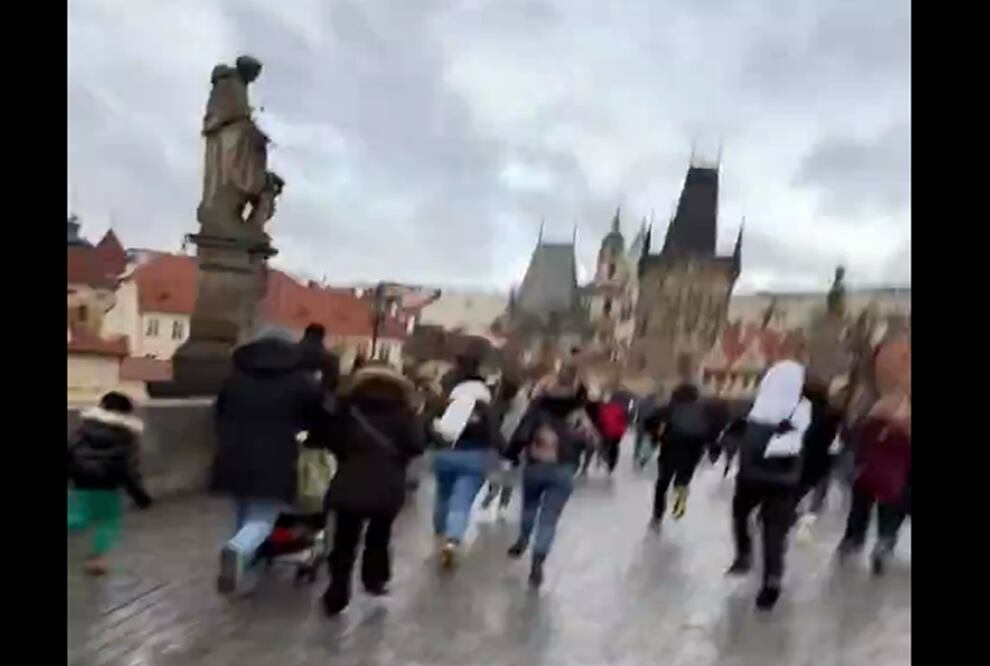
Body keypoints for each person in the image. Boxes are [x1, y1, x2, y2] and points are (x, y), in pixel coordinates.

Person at [212, 327, 324, 594]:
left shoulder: (234, 379)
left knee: (243, 513)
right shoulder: (301, 381)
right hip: (276, 457)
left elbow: (218, 414)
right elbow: (319, 417)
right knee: (262, 518)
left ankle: (244, 569)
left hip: (233, 455)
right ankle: (238, 550)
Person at [318, 363, 426, 615]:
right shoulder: (404, 411)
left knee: (344, 539)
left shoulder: (346, 408)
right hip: (388, 483)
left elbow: (330, 439)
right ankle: (375, 578)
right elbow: (416, 445)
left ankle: (338, 590)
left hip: (350, 479)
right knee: (380, 534)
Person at [726, 360, 812, 611]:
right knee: (774, 532)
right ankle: (772, 578)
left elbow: (738, 435)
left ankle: (743, 554)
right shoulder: (803, 409)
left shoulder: (758, 406)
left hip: (751, 477)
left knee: (741, 513)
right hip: (784, 482)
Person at [503, 365, 589, 588]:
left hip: (536, 465)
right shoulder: (577, 412)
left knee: (529, 506)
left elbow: (521, 434)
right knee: (549, 518)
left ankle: (523, 539)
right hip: (564, 469)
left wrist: (511, 454)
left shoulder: (537, 409)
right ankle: (537, 561)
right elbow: (587, 439)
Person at [836, 335, 911, 575]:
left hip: (875, 423)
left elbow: (864, 392)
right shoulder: (898, 354)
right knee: (892, 488)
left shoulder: (885, 351)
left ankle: (855, 538)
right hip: (898, 428)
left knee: (867, 483)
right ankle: (882, 542)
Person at [430, 354, 506, 568]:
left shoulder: (448, 401)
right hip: (475, 457)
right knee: (461, 501)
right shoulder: (485, 407)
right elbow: (495, 435)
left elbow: (431, 424)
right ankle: (452, 540)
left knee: (443, 496)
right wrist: (503, 455)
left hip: (445, 454)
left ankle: (439, 536)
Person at [67, 392, 152, 576]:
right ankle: (96, 560)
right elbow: (128, 470)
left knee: (77, 515)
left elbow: (70, 453)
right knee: (106, 522)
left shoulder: (84, 428)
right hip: (107, 485)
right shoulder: (127, 435)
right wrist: (141, 496)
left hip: (81, 481)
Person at [645, 383, 709, 528]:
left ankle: (657, 514)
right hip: (692, 452)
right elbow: (708, 430)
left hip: (670, 449)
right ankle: (680, 497)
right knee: (683, 480)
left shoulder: (669, 407)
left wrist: (656, 436)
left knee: (662, 484)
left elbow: (649, 421)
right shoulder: (701, 410)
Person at [298, 322, 341, 394]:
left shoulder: (290, 353)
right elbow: (333, 384)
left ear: (306, 334)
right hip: (318, 396)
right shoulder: (331, 358)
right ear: (322, 337)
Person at [597, 390, 629, 475]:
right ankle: (612, 464)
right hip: (617, 432)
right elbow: (623, 420)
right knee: (614, 447)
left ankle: (606, 459)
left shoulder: (604, 408)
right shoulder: (620, 409)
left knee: (606, 446)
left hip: (606, 431)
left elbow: (600, 420)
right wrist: (622, 430)